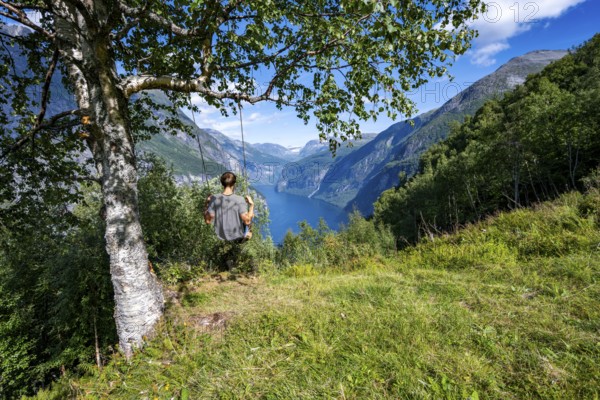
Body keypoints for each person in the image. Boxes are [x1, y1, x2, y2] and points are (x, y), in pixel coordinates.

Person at [204, 172, 254, 270]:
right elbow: (247, 221)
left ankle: (228, 256)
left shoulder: (214, 198)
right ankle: (246, 236)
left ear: (222, 184)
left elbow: (208, 221)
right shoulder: (239, 200)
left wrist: (207, 203)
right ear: (234, 184)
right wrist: (251, 205)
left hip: (220, 235)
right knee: (251, 219)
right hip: (236, 235)